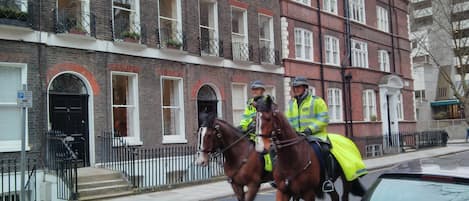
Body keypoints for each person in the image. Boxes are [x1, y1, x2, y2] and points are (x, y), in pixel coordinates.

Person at [285, 76, 334, 192]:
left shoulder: (317, 101)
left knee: (324, 151)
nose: (295, 89)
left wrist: (309, 130)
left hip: (315, 136)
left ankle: (327, 179)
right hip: (297, 137)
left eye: (298, 87)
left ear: (305, 88)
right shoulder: (291, 104)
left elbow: (324, 119)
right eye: (294, 87)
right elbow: (288, 120)